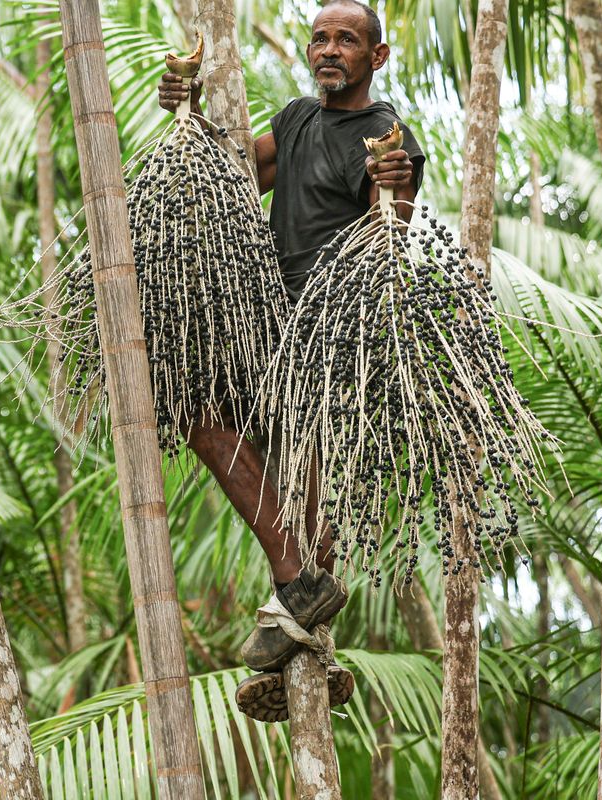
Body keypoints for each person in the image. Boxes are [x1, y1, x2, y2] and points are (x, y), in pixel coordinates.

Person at [155, 0, 426, 721]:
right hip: (269, 327)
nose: (329, 50)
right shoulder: (298, 119)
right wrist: (183, 112)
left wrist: (394, 188)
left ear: (379, 55)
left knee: (310, 493)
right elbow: (232, 166)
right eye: (320, 38)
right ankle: (299, 592)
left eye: (347, 40)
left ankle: (297, 634)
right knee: (198, 414)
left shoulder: (387, 137)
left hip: (335, 336)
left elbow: (388, 228)